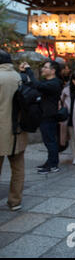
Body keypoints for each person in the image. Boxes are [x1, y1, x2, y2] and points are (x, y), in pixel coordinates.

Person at [22, 60, 63, 174]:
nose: (43, 69)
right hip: (44, 115)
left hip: (49, 116)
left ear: (53, 70)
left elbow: (37, 85)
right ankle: (50, 162)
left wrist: (29, 70)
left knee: (50, 141)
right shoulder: (48, 81)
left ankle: (53, 165)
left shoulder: (54, 83)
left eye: (45, 67)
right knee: (48, 140)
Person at [0, 50, 28, 211]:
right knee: (18, 168)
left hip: (1, 128)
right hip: (18, 129)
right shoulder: (20, 77)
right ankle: (15, 200)